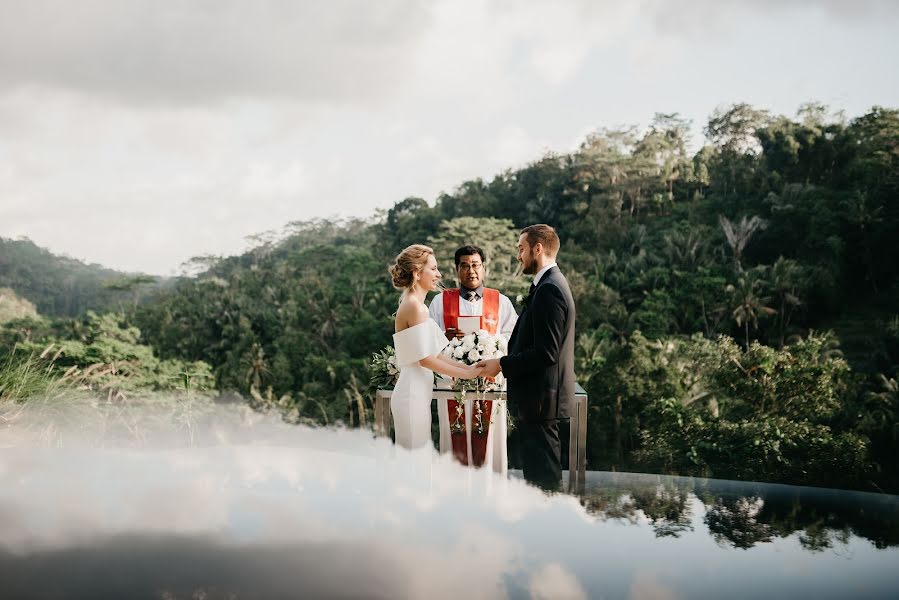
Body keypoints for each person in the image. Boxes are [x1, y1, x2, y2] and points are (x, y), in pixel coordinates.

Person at [477, 225, 576, 490]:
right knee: (539, 482)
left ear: (538, 248)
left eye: (521, 249)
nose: (519, 256)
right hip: (538, 402)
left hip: (541, 401)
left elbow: (547, 352)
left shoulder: (549, 290)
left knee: (544, 484)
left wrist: (501, 364)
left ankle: (548, 529)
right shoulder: (547, 285)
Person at [389, 244, 483, 449]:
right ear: (416, 272)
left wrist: (469, 369)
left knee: (416, 463)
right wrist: (466, 375)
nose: (438, 274)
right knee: (414, 464)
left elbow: (434, 355)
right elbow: (425, 359)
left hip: (417, 393)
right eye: (433, 269)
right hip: (412, 393)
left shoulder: (415, 304)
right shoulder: (415, 307)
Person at [428, 245, 517, 342]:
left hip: (492, 357)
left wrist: (491, 342)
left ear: (483, 268)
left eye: (475, 265)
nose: (471, 271)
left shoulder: (501, 301)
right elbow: (429, 337)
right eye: (465, 266)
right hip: (449, 357)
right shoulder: (439, 301)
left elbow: (514, 336)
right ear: (457, 269)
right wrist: (443, 337)